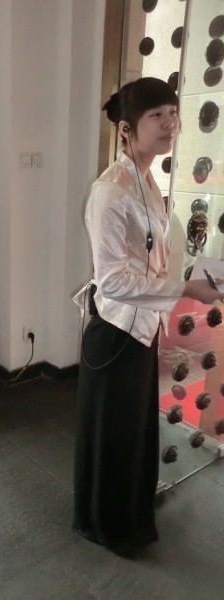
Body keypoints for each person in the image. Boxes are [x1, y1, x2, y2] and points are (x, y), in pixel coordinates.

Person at [72, 77, 224, 558]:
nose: (170, 123)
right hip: (115, 333)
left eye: (172, 113)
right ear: (126, 128)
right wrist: (185, 289)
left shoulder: (146, 178)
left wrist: (191, 277)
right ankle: (107, 525)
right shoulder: (110, 191)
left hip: (141, 329)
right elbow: (113, 281)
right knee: (114, 434)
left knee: (134, 430)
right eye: (156, 115)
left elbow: (147, 258)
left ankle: (129, 512)